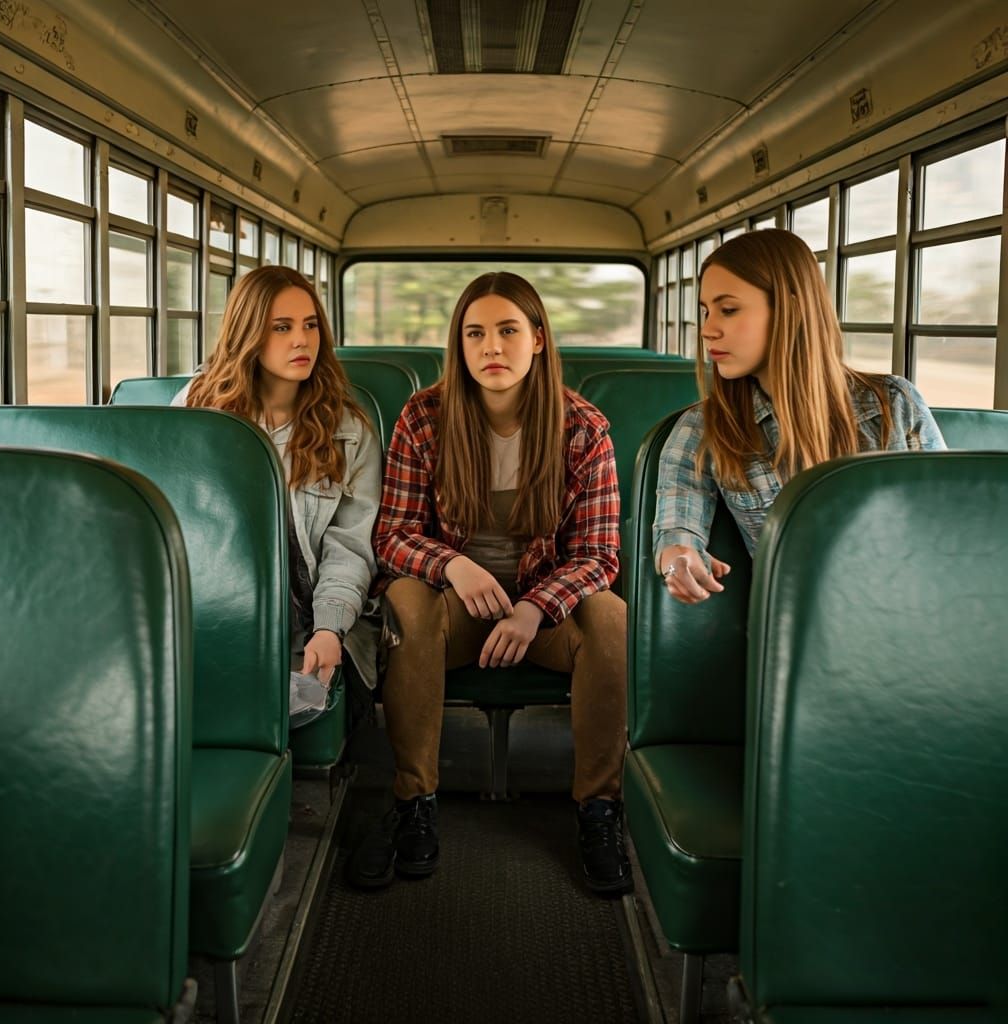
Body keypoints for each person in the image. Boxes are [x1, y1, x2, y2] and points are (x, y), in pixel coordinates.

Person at [349, 271, 631, 895]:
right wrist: (455, 565)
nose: (492, 348)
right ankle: (414, 798)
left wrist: (535, 607)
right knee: (407, 601)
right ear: (459, 344)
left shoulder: (583, 428)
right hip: (454, 610)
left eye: (508, 331)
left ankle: (599, 809)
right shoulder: (424, 418)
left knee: (612, 616)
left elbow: (598, 554)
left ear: (537, 339)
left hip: (544, 617)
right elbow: (391, 534)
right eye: (475, 333)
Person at [654, 228, 946, 603]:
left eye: (728, 310)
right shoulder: (705, 427)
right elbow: (676, 524)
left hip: (905, 614)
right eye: (706, 312)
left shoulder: (893, 405)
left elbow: (939, 529)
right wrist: (679, 559)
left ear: (790, 308)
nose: (708, 329)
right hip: (796, 637)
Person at [173, 265, 381, 691]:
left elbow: (351, 546)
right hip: (209, 611)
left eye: (309, 325)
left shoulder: (348, 430)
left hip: (307, 616)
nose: (301, 340)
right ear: (248, 334)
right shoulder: (196, 412)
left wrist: (330, 626)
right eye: (281, 328)